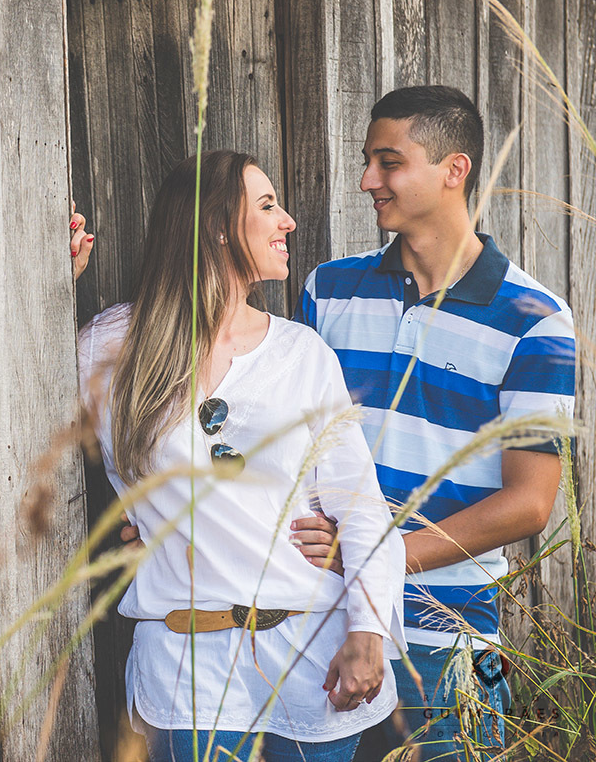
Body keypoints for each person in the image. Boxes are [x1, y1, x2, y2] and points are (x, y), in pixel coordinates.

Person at [75, 150, 406, 762]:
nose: (289, 222)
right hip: (185, 671)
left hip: (312, 664)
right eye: (268, 205)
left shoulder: (301, 354)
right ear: (219, 227)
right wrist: (52, 282)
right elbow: (15, 424)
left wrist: (367, 630)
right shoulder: (109, 347)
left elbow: (358, 507)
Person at [288, 86, 577, 761]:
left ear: (455, 170)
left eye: (389, 163)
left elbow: (529, 504)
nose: (367, 181)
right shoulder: (329, 289)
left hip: (446, 642)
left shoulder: (535, 320)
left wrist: (373, 558)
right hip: (316, 624)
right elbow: (283, 437)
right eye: (368, 162)